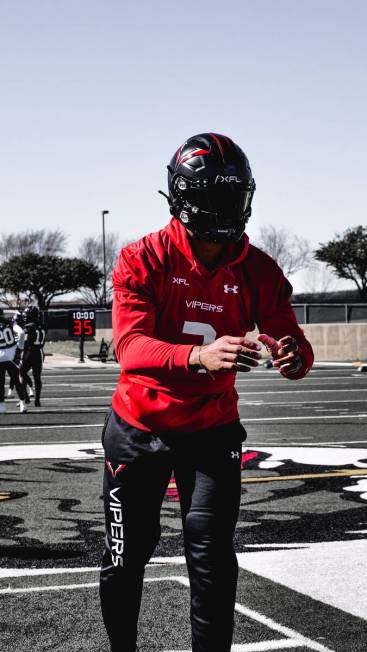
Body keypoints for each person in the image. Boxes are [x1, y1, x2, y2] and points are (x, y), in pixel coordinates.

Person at [99, 133, 314, 652]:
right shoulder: (142, 258)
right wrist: (198, 356)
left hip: (212, 429)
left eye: (234, 195)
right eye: (215, 195)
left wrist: (292, 356)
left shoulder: (258, 268)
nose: (226, 208)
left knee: (212, 552)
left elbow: (296, 345)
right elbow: (130, 348)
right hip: (139, 428)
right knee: (126, 555)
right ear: (184, 195)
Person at [0, 308, 27, 414]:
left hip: (0, 358)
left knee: (0, 383)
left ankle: (2, 407)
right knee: (16, 381)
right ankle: (23, 404)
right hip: (12, 357)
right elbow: (21, 333)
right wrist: (19, 348)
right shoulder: (10, 323)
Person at [20, 306, 46, 407]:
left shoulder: (28, 327)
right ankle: (37, 400)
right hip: (39, 352)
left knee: (22, 372)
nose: (25, 317)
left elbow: (24, 344)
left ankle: (26, 396)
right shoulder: (42, 326)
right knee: (37, 377)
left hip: (29, 352)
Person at [7, 310, 34, 400]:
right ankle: (15, 391)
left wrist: (20, 347)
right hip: (18, 351)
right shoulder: (18, 327)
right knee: (18, 372)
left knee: (19, 372)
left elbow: (22, 337)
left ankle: (26, 392)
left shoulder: (20, 327)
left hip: (19, 351)